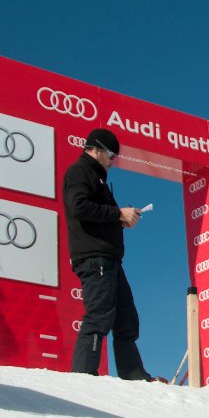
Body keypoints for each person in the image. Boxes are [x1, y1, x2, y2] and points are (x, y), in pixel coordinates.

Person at [62, 128, 159, 381]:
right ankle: (83, 374)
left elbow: (95, 212)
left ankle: (133, 373)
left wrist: (119, 220)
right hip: (95, 257)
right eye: (110, 154)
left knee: (126, 317)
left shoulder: (98, 178)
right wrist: (117, 214)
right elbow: (78, 206)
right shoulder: (80, 171)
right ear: (93, 149)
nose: (113, 159)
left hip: (110, 258)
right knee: (99, 314)